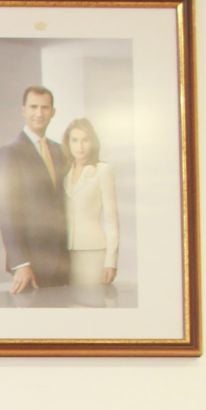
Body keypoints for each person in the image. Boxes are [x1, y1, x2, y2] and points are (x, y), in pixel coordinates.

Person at [0, 85, 69, 295]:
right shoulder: (10, 152)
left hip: (64, 259)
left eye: (45, 108)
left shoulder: (59, 150)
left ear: (53, 112)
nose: (39, 113)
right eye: (33, 107)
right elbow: (6, 212)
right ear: (23, 111)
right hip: (32, 261)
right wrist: (21, 263)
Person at [61, 117, 119, 288]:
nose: (80, 146)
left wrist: (111, 260)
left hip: (93, 251)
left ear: (92, 142)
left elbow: (111, 219)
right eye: (75, 140)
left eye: (85, 140)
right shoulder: (64, 172)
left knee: (92, 302)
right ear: (68, 143)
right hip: (65, 252)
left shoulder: (102, 170)